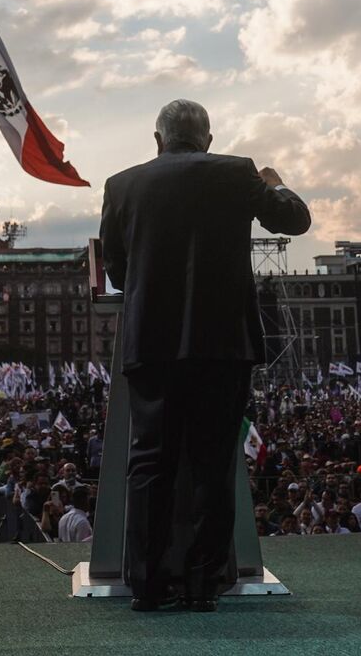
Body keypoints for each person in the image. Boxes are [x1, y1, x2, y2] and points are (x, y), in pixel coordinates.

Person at [98, 98, 310, 613]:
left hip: (152, 345)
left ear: (157, 140)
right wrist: (275, 182)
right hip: (223, 346)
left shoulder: (122, 185)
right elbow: (297, 221)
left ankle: (147, 586)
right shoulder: (237, 173)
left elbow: (117, 272)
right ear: (208, 140)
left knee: (149, 463)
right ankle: (200, 587)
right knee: (213, 463)